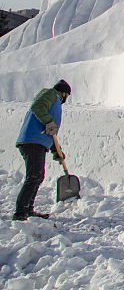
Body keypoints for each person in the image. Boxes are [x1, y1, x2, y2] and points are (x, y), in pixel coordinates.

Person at [13, 79, 70, 220]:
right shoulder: (51, 94)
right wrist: (49, 121)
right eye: (67, 95)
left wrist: (57, 151)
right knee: (33, 176)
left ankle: (27, 209)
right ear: (63, 92)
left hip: (37, 142)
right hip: (32, 141)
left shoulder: (54, 104)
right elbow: (37, 106)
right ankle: (20, 212)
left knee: (37, 176)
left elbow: (50, 133)